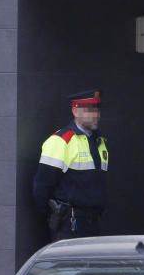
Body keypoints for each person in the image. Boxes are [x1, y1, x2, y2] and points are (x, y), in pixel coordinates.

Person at [32, 90, 109, 241]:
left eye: (97, 110)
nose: (96, 115)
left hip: (93, 222)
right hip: (69, 224)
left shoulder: (101, 142)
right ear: (75, 111)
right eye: (90, 110)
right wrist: (53, 216)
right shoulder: (61, 141)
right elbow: (42, 185)